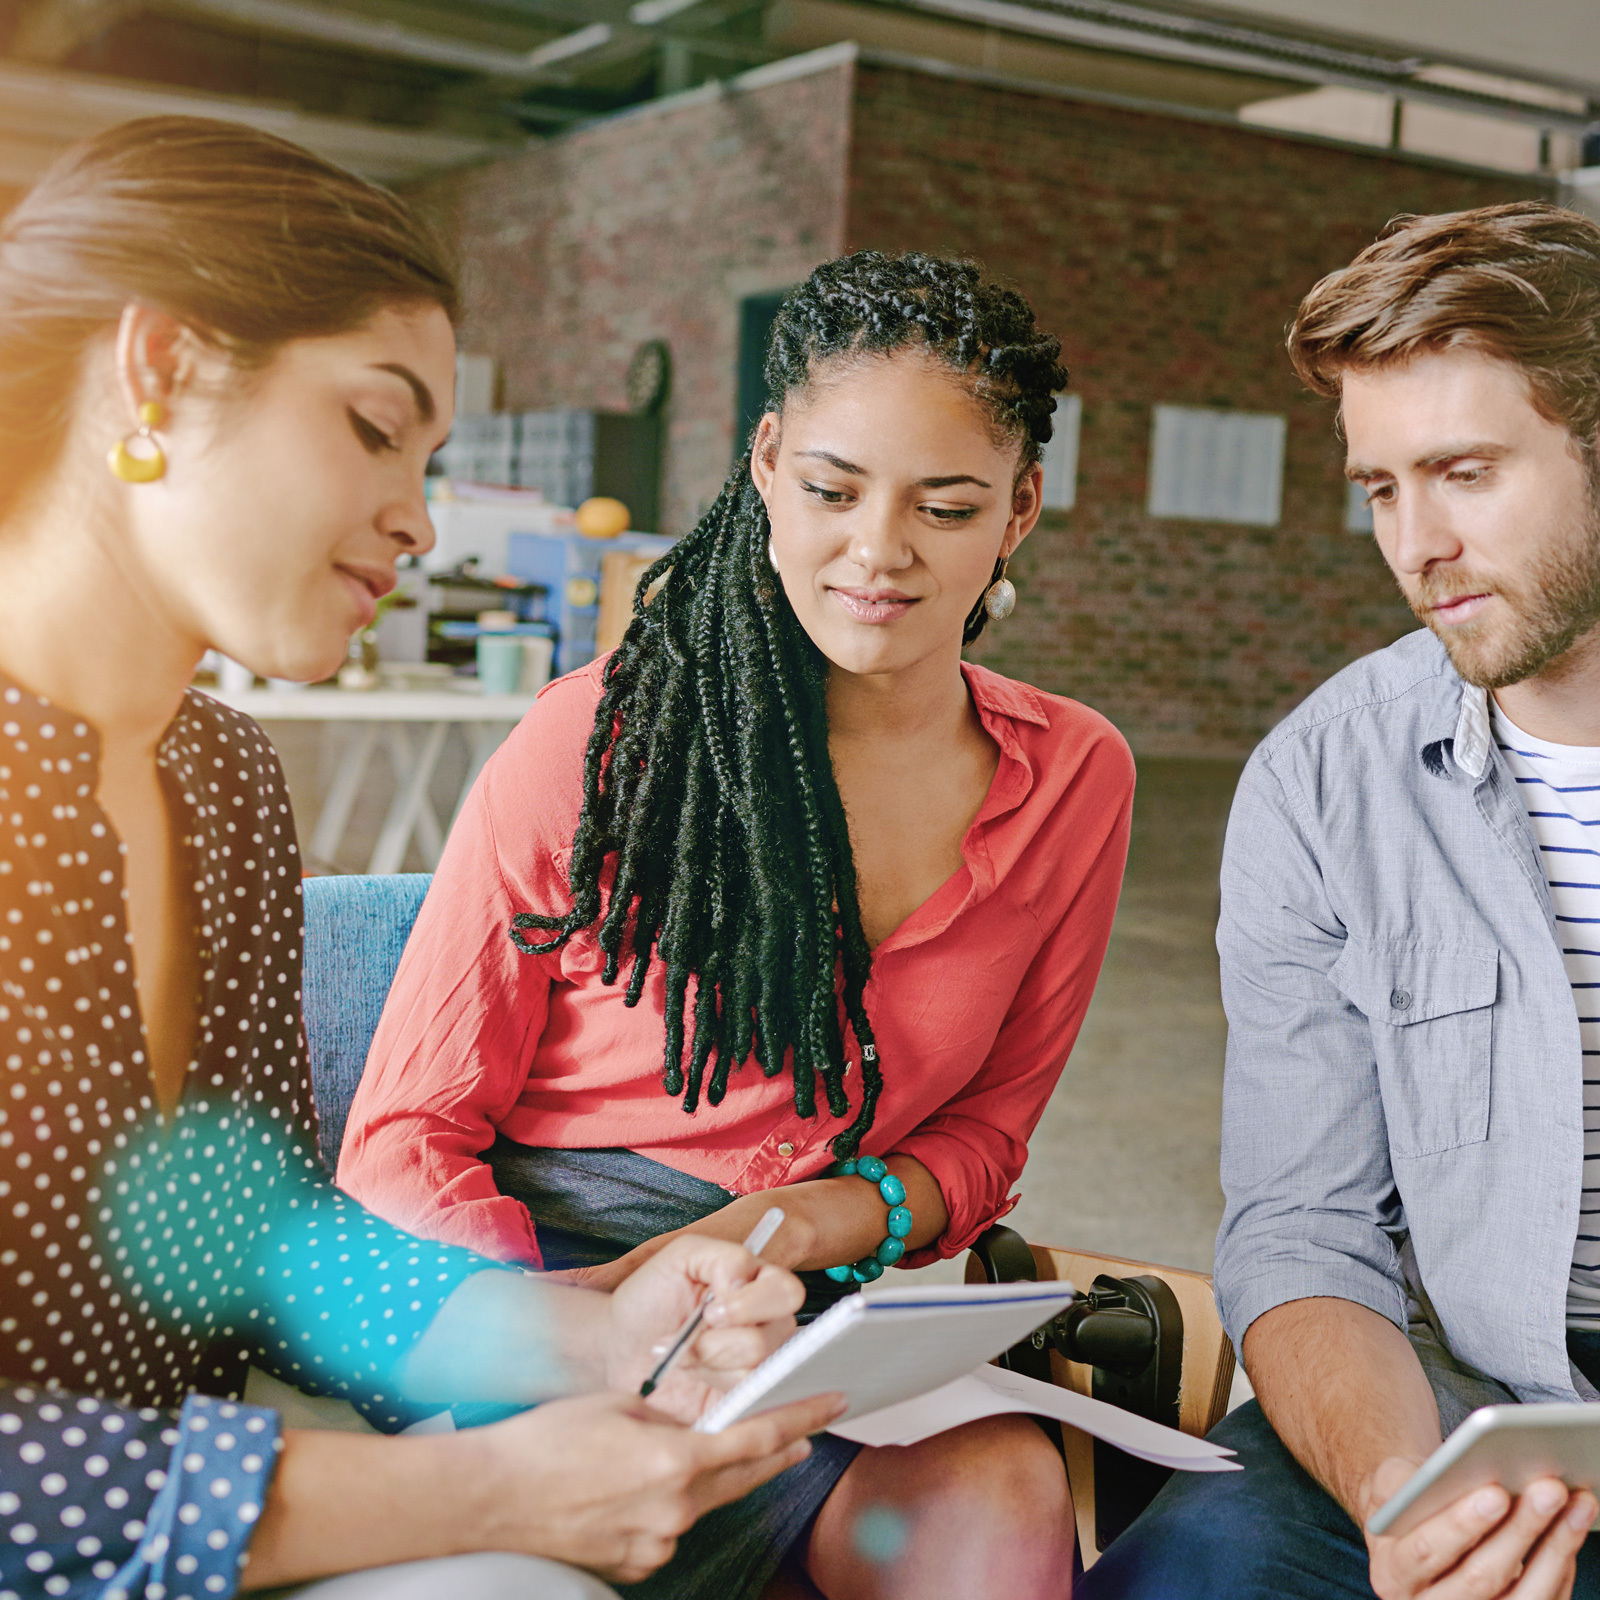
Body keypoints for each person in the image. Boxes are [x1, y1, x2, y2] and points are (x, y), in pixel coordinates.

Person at [0, 115, 841, 1600]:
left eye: (431, 455)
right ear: (159, 370)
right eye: (375, 427)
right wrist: (478, 1485)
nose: (420, 516)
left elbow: (241, 1234)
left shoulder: (218, 778)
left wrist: (597, 1328)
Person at [338, 250, 1135, 1600]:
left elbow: (988, 1139)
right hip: (560, 1280)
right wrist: (574, 1331)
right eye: (831, 490)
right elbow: (404, 1139)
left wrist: (797, 1235)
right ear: (764, 465)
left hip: (820, 1304)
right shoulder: (600, 740)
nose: (878, 551)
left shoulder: (1074, 777)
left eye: (945, 507)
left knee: (1003, 1486)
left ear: (1021, 511)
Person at [1078, 202, 1600, 1600]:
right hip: (1456, 1406)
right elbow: (1305, 1225)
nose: (1416, 542)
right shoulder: (1324, 779)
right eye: (1381, 487)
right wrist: (1400, 1494)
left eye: (1467, 473)